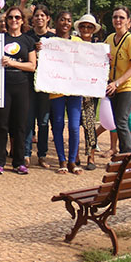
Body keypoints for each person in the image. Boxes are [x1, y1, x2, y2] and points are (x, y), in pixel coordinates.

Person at [0, 5, 36, 175]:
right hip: (3, 86)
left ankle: (19, 162)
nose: (14, 20)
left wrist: (13, 63)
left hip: (22, 85)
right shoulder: (0, 39)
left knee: (20, 125)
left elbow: (32, 66)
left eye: (17, 17)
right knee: (2, 124)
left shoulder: (28, 41)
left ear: (22, 20)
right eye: (10, 18)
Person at [48, 10, 83, 174]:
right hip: (57, 89)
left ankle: (72, 161)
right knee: (58, 124)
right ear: (56, 22)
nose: (65, 23)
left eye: (68, 20)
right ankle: (62, 160)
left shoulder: (77, 41)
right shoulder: (50, 42)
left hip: (75, 90)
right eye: (62, 20)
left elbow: (87, 61)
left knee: (75, 127)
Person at [105, 5, 131, 155]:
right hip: (113, 87)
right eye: (115, 17)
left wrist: (117, 82)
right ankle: (123, 153)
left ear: (128, 21)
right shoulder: (109, 38)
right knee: (117, 121)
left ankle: (127, 155)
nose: (118, 20)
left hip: (127, 87)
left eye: (121, 17)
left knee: (122, 120)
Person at [24, 4, 54, 168]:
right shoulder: (27, 37)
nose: (40, 18)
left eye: (43, 15)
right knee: (28, 121)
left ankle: (42, 155)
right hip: (29, 84)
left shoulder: (53, 39)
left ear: (47, 18)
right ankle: (26, 153)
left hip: (46, 86)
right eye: (37, 15)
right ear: (33, 19)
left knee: (43, 122)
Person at [74, 14, 102, 170]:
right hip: (74, 87)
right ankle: (75, 154)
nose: (86, 29)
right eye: (83, 26)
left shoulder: (98, 47)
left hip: (90, 90)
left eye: (89, 27)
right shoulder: (72, 44)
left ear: (94, 30)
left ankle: (91, 156)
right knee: (75, 123)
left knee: (89, 123)